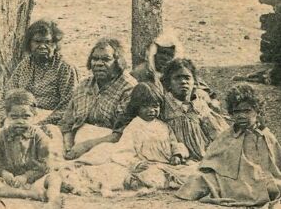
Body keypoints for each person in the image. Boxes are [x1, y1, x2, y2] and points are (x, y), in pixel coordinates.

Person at [62, 83, 196, 196]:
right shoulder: (134, 126)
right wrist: (136, 164)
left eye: (155, 106)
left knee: (192, 172)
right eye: (145, 106)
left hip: (166, 164)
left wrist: (177, 155)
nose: (151, 110)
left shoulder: (163, 126)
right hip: (146, 164)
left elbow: (174, 142)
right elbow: (124, 151)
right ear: (137, 107)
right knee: (149, 177)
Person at [177, 83, 281, 206]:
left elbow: (272, 165)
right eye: (237, 112)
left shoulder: (264, 135)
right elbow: (213, 158)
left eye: (247, 111)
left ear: (258, 111)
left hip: (255, 177)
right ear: (231, 113)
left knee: (271, 187)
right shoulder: (228, 134)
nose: (241, 115)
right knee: (197, 181)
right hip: (228, 178)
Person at [61, 38, 137, 160]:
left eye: (106, 59)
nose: (98, 63)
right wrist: (68, 144)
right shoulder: (84, 86)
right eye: (95, 59)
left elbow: (121, 133)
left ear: (118, 62)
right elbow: (66, 123)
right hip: (77, 143)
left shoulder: (129, 89)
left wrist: (86, 146)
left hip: (108, 144)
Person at [0, 89, 62, 207]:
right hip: (11, 181)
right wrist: (3, 173)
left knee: (54, 178)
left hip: (35, 178)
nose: (20, 121)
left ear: (34, 116)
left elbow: (46, 163)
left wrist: (26, 176)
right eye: (14, 117)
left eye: (26, 117)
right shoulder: (2, 136)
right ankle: (31, 195)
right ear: (7, 116)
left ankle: (53, 199)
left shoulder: (39, 136)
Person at [5, 19, 78, 126]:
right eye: (37, 42)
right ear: (29, 43)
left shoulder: (65, 67)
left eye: (48, 42)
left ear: (55, 44)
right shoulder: (25, 64)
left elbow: (69, 105)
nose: (43, 46)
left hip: (52, 118)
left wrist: (42, 123)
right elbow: (10, 92)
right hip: (22, 115)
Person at [159, 58, 229, 161]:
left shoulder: (199, 105)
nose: (183, 82)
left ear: (194, 82)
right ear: (168, 83)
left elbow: (215, 131)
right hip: (175, 157)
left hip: (204, 156)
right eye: (177, 78)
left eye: (187, 78)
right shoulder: (164, 106)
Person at [131, 32, 215, 98]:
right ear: (155, 53)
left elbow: (201, 87)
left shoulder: (180, 70)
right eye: (162, 53)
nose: (165, 58)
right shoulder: (142, 72)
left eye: (169, 55)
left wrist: (202, 93)